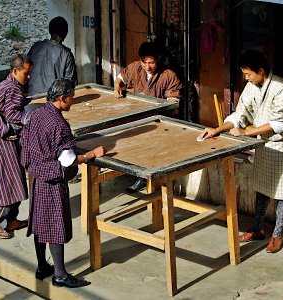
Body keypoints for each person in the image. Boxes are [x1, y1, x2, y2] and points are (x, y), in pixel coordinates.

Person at [20, 79, 106, 287]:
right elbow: (67, 161)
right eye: (71, 98)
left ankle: (42, 266)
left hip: (37, 176)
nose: (72, 101)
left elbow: (28, 142)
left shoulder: (36, 114)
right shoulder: (59, 124)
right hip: (52, 179)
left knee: (40, 222)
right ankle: (60, 274)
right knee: (54, 225)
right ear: (62, 98)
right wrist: (91, 155)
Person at [201, 49, 283, 253]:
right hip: (263, 145)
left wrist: (247, 132)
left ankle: (277, 234)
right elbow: (240, 114)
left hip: (282, 145)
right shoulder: (251, 86)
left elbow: (280, 124)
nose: (245, 78)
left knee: (282, 193)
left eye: (248, 74)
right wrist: (218, 128)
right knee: (262, 187)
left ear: (261, 71)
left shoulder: (281, 87)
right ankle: (257, 228)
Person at [114, 41, 183, 192]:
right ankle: (139, 176)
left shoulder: (168, 76)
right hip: (139, 120)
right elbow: (121, 77)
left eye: (151, 63)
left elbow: (174, 102)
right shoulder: (135, 68)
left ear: (158, 59)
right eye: (144, 63)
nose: (147, 67)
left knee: (154, 152)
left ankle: (145, 179)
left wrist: (158, 105)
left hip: (160, 122)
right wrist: (117, 85)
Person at [0, 54, 32, 239]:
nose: (28, 77)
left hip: (7, 141)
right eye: (26, 73)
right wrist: (29, 118)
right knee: (6, 184)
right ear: (15, 71)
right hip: (1, 142)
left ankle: (11, 220)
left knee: (16, 181)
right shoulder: (10, 88)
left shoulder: (10, 86)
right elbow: (13, 114)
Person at [27, 16, 77, 96]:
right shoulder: (66, 54)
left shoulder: (36, 46)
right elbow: (70, 84)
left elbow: (25, 70)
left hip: (32, 96)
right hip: (53, 100)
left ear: (50, 30)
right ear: (66, 33)